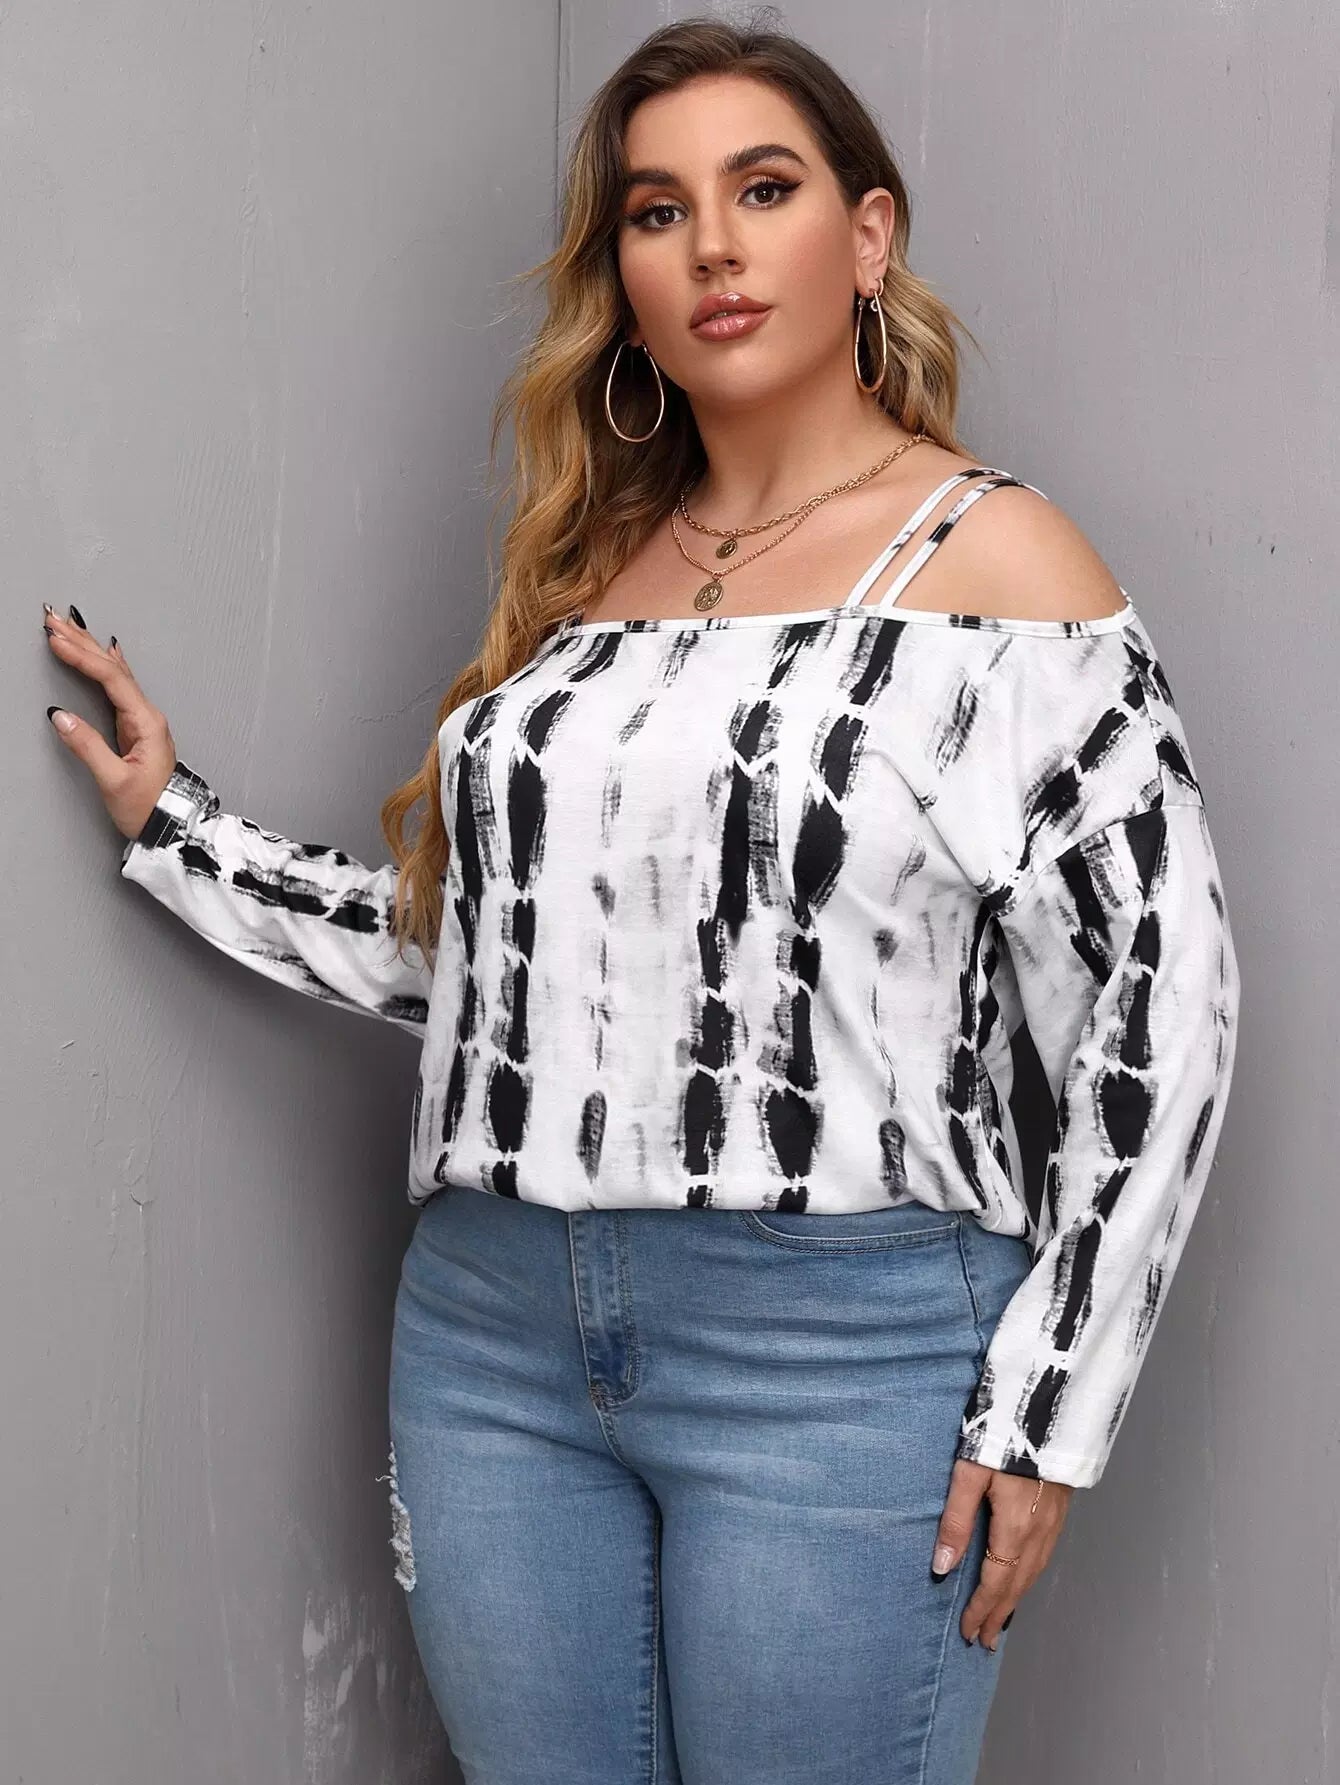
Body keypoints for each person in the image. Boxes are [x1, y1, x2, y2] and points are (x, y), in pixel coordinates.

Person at [41, 16, 1241, 1784]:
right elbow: (497, 965)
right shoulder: (590, 571)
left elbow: (1163, 1000)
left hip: (844, 1352)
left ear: (870, 236)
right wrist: (181, 828)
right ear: (626, 275)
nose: (715, 248)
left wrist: (1051, 1403)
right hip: (492, 1333)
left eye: (766, 190)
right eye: (659, 211)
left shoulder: (1000, 569)